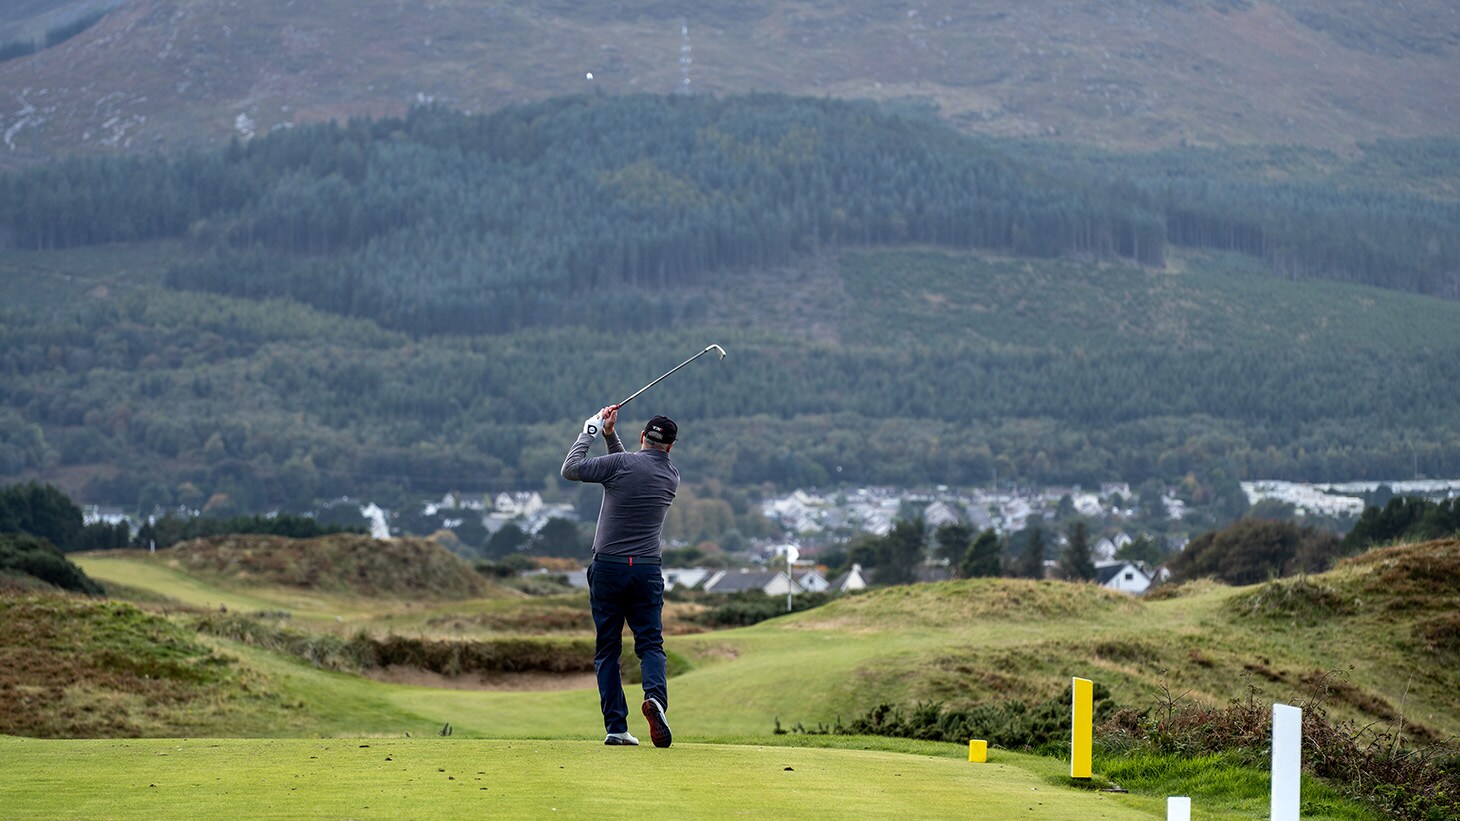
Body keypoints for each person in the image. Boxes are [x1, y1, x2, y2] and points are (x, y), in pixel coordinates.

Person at [561, 404, 679, 748]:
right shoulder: (670, 476)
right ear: (670, 447)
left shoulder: (621, 465)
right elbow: (630, 469)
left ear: (642, 436)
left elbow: (571, 469)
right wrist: (612, 437)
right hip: (645, 569)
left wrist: (592, 430)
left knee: (608, 650)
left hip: (609, 567)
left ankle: (617, 728)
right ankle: (655, 699)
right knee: (651, 644)